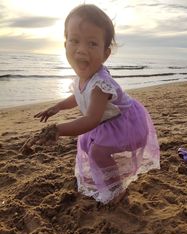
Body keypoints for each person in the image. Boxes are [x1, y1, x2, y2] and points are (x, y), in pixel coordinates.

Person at [34, 4, 160, 204]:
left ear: (105, 53)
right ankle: (107, 180)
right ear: (65, 44)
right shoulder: (81, 78)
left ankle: (117, 189)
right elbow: (78, 97)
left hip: (125, 123)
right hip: (108, 122)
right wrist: (57, 107)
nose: (82, 50)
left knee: (97, 150)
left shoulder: (101, 84)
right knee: (88, 145)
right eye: (74, 41)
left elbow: (91, 120)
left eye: (92, 44)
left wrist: (56, 129)